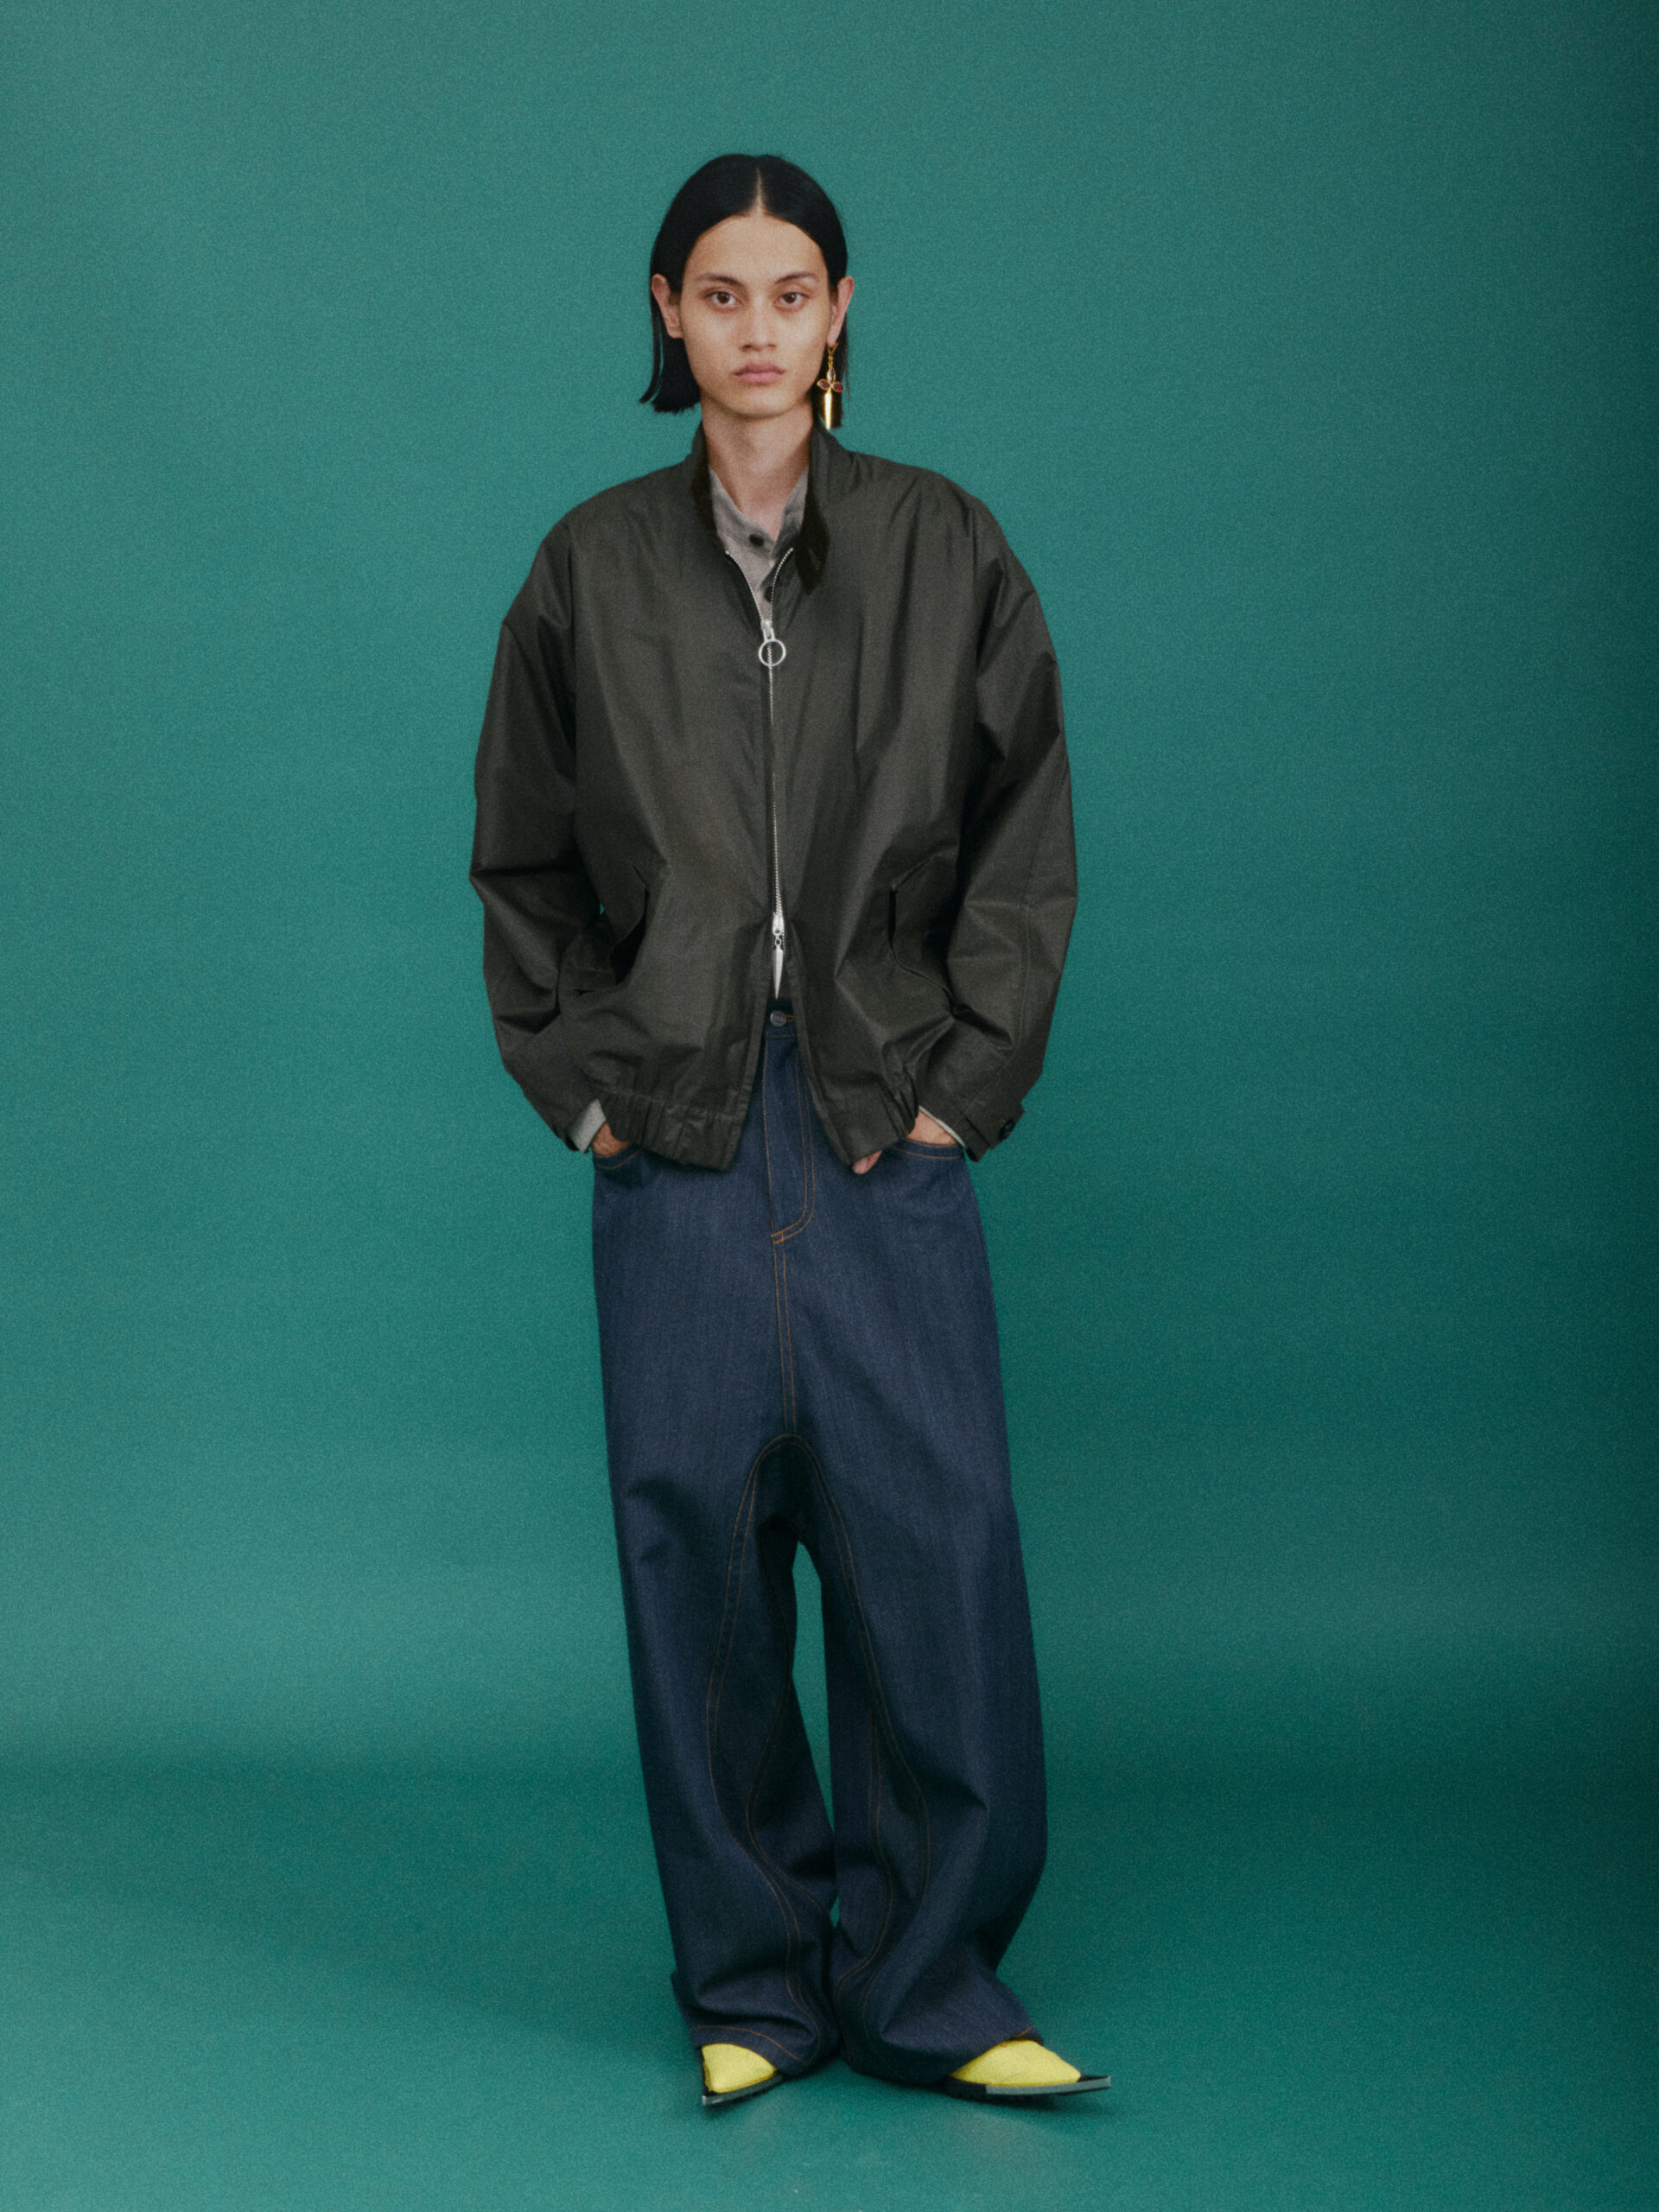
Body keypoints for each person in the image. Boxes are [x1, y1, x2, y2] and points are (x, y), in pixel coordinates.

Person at [471, 153, 1100, 2110]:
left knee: (936, 1548)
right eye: (722, 291)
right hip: (673, 1132)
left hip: (875, 1127)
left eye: (794, 289)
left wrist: (959, 1089)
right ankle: (754, 1979)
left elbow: (1023, 841)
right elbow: (522, 860)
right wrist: (588, 1089)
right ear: (667, 310)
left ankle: (935, 1982)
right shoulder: (588, 568)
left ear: (841, 314)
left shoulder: (942, 545)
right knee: (700, 1561)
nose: (759, 326)